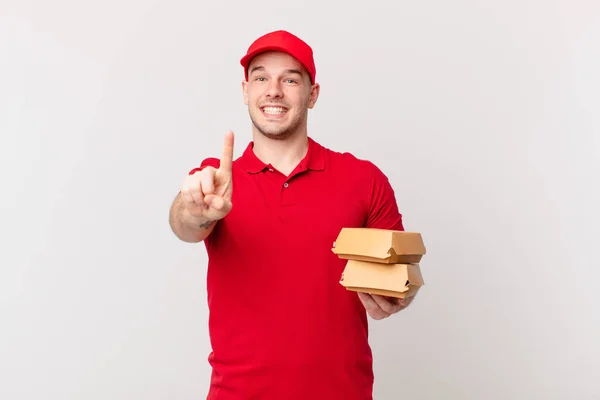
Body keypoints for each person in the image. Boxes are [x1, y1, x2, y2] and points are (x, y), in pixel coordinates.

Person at [168, 30, 415, 400]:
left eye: (290, 79)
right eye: (261, 77)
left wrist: (399, 295)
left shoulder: (364, 180)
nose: (273, 90)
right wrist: (195, 209)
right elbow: (185, 225)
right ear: (245, 91)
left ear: (312, 95)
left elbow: (402, 270)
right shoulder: (218, 180)